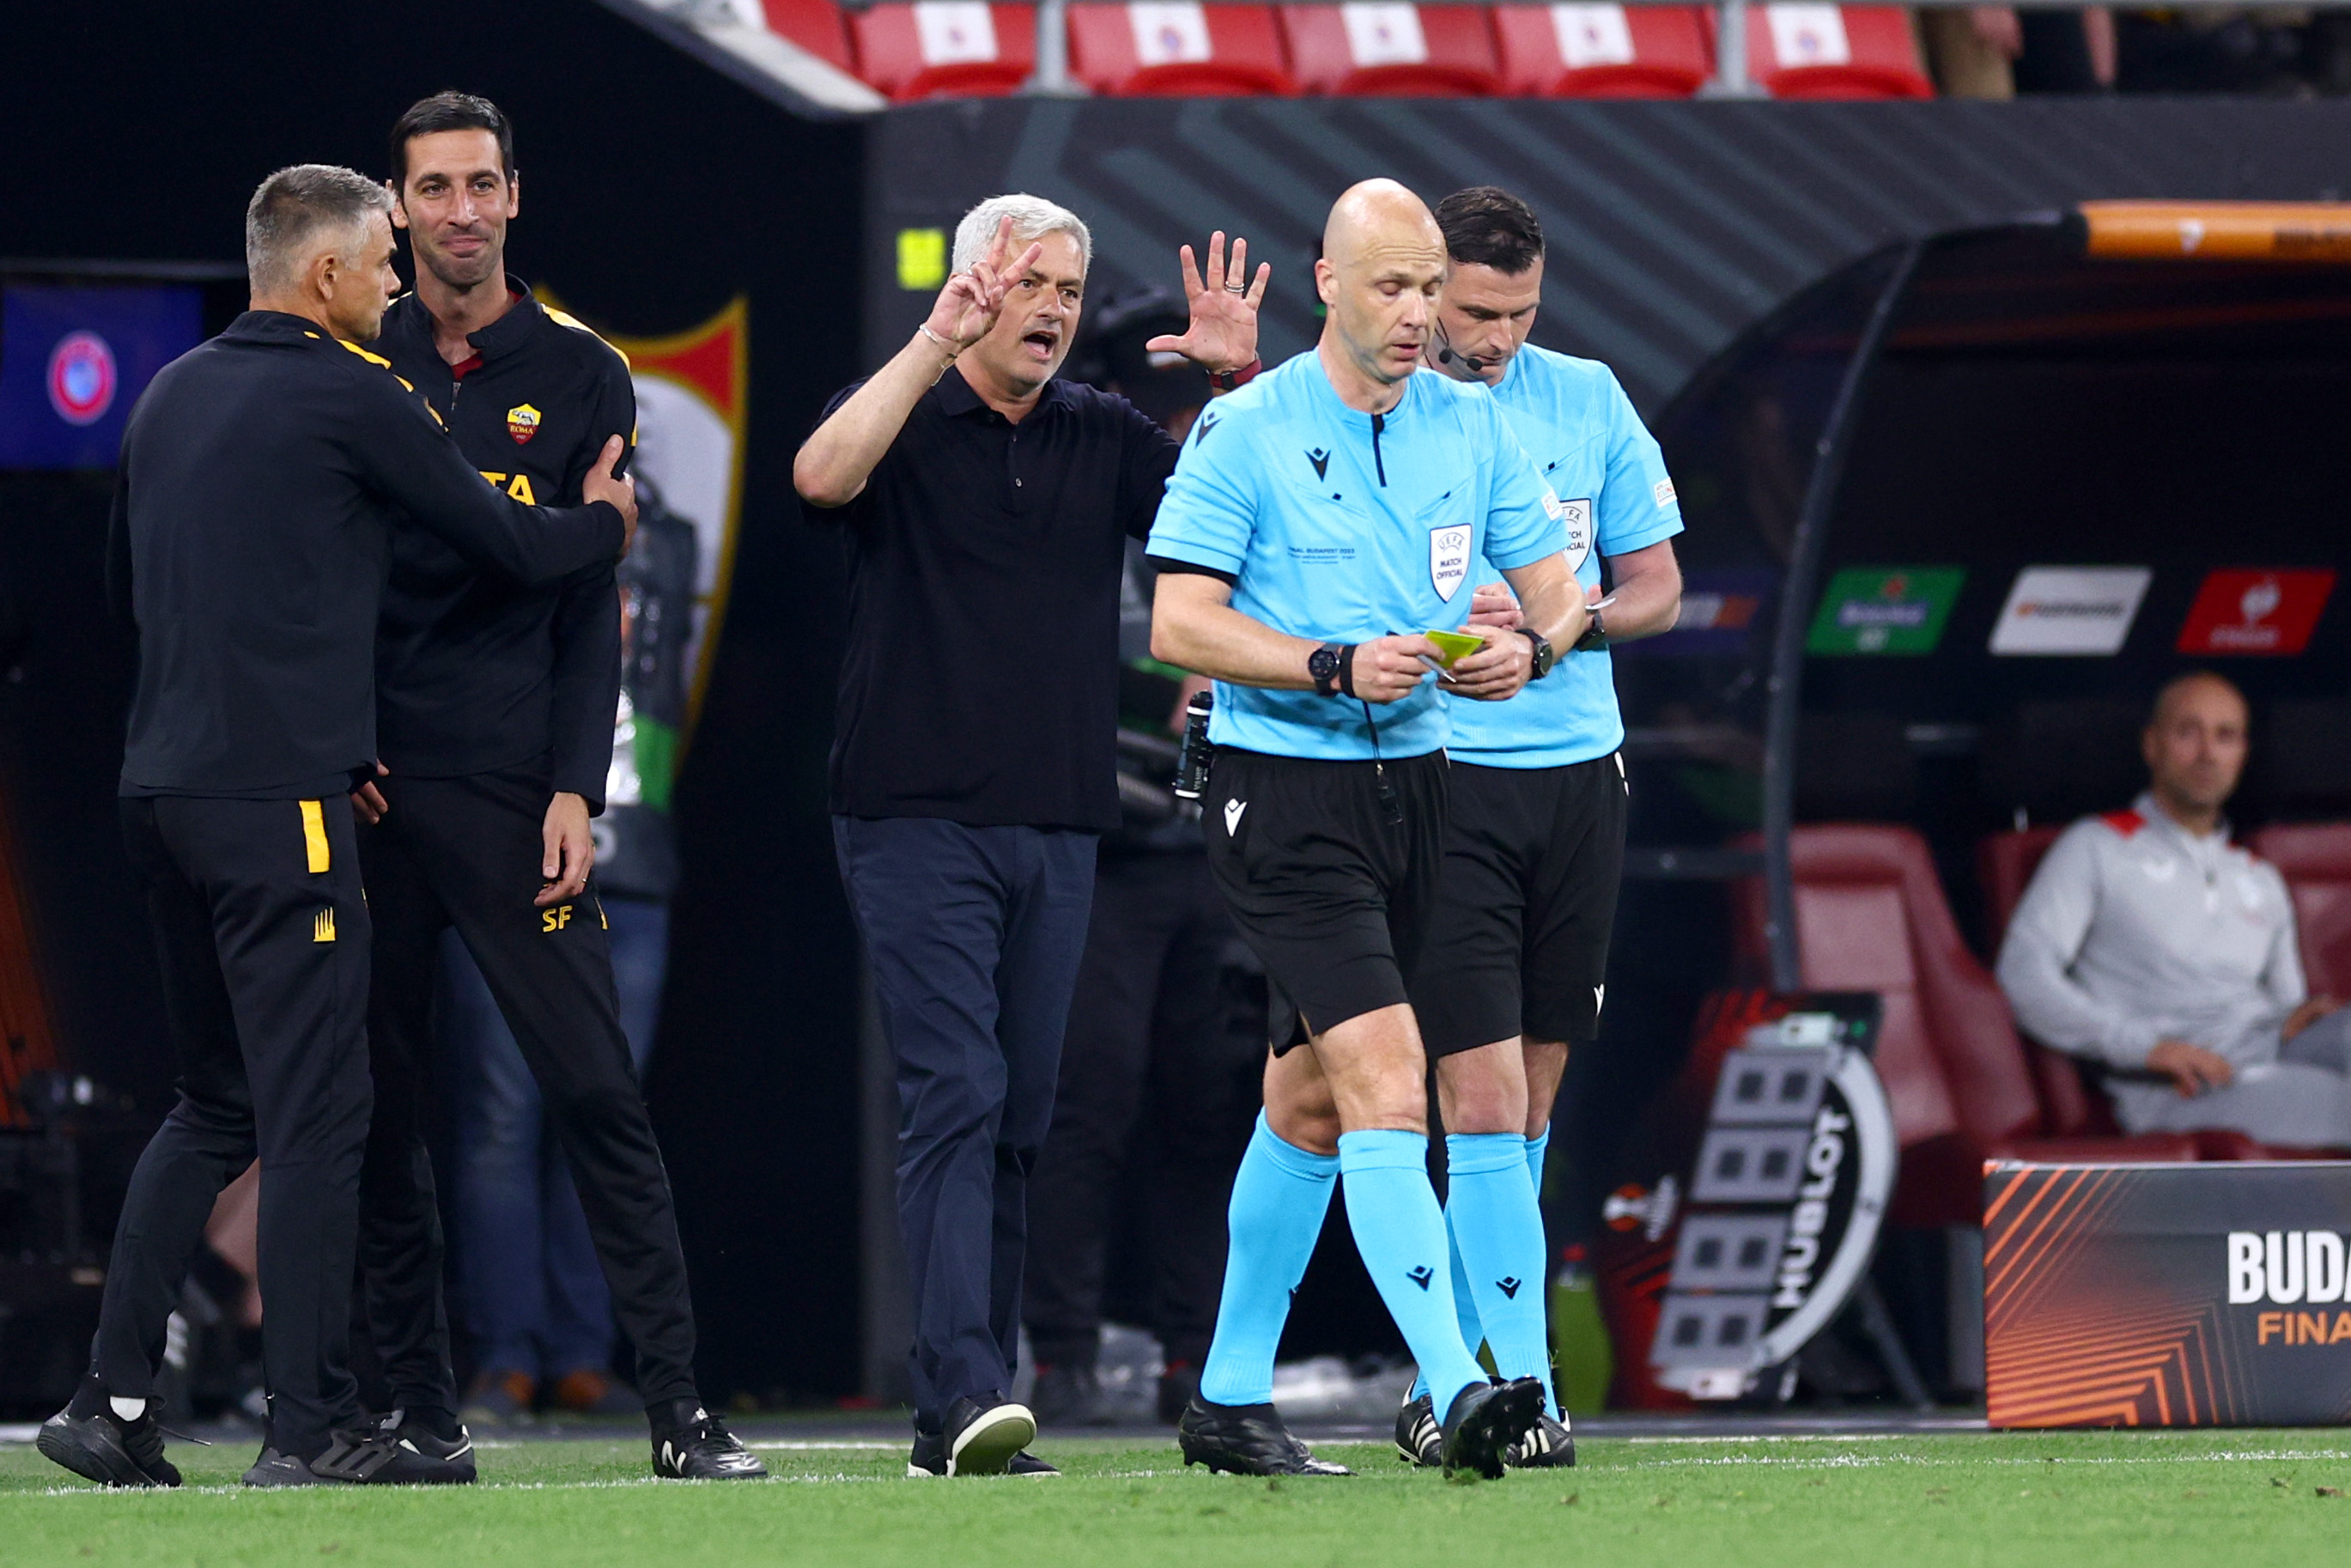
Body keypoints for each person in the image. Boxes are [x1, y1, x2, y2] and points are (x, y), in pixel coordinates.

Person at [39, 163, 630, 1490]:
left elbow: (130, 588)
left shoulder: (170, 392)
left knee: (215, 1103)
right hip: (275, 813)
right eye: (380, 261)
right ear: (323, 276)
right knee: (320, 1114)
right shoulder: (358, 389)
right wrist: (604, 522)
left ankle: (109, 1401)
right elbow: (504, 545)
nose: (396, 281)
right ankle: (309, 1426)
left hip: (161, 794)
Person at [795, 196, 1265, 1478]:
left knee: (1018, 1115)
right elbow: (819, 475)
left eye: (1070, 286)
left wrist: (1238, 378)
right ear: (970, 288)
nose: (1055, 305)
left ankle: (971, 1394)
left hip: (1059, 820)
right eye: (1030, 281)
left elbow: (1253, 523)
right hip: (909, 813)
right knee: (956, 1090)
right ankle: (959, 1397)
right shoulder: (906, 412)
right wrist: (929, 345)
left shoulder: (1098, 434)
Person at [1147, 179, 1586, 1482]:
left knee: (1310, 1103)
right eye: (1390, 286)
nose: (1416, 314)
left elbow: (1558, 595)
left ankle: (1227, 1399)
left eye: (1426, 288)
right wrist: (1328, 663)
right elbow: (1179, 625)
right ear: (1326, 282)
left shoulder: (1472, 425)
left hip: (1426, 788)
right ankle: (1461, 1386)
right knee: (1393, 1081)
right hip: (1281, 788)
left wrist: (1529, 650)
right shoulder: (1243, 428)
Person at [356, 92, 763, 1480]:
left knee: (595, 1092)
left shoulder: (582, 371)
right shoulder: (356, 351)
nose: (460, 210)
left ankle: (679, 1412)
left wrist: (577, 787)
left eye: (481, 184)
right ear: (395, 206)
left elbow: (597, 606)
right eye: (433, 188)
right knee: (383, 1106)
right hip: (364, 792)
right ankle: (412, 1410)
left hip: (514, 789)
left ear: (514, 196)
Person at [1385, 185, 1686, 1471]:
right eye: (1474, 310)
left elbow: (1659, 586)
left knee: (1533, 1101)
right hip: (1445, 778)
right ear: (1423, 290)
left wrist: (1560, 630)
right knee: (1482, 1094)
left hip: (1578, 774)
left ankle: (1436, 1378)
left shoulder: (1590, 397)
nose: (1498, 336)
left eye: (1519, 312)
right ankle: (1514, 1386)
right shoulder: (1386, 408)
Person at [445, 479, 697, 1429]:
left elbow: (667, 688)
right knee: (504, 1116)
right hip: (514, 857)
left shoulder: (672, 541)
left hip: (637, 862)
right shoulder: (500, 524)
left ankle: (585, 1352)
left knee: (606, 1109)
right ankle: (507, 1354)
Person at [1998, 672, 2348, 1146]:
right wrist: (2142, 1047)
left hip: (2274, 1052)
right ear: (2152, 745)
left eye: (2225, 736)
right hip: (2182, 1084)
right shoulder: (2097, 846)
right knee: (2335, 1101)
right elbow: (2022, 973)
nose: (2208, 753)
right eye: (2189, 732)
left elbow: (2288, 1002)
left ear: (2242, 753)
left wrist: (2295, 1017)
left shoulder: (2258, 876)